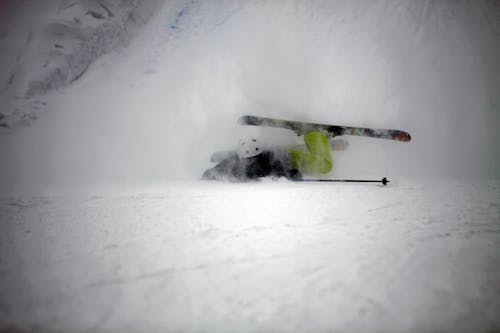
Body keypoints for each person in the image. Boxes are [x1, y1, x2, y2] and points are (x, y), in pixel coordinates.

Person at [202, 130, 333, 181]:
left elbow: (285, 173)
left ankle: (315, 134)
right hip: (269, 149)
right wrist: (212, 173)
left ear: (258, 156)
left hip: (290, 157)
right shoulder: (238, 160)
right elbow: (215, 170)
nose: (248, 163)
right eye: (245, 160)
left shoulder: (270, 160)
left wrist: (292, 175)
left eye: (252, 159)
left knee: (325, 166)